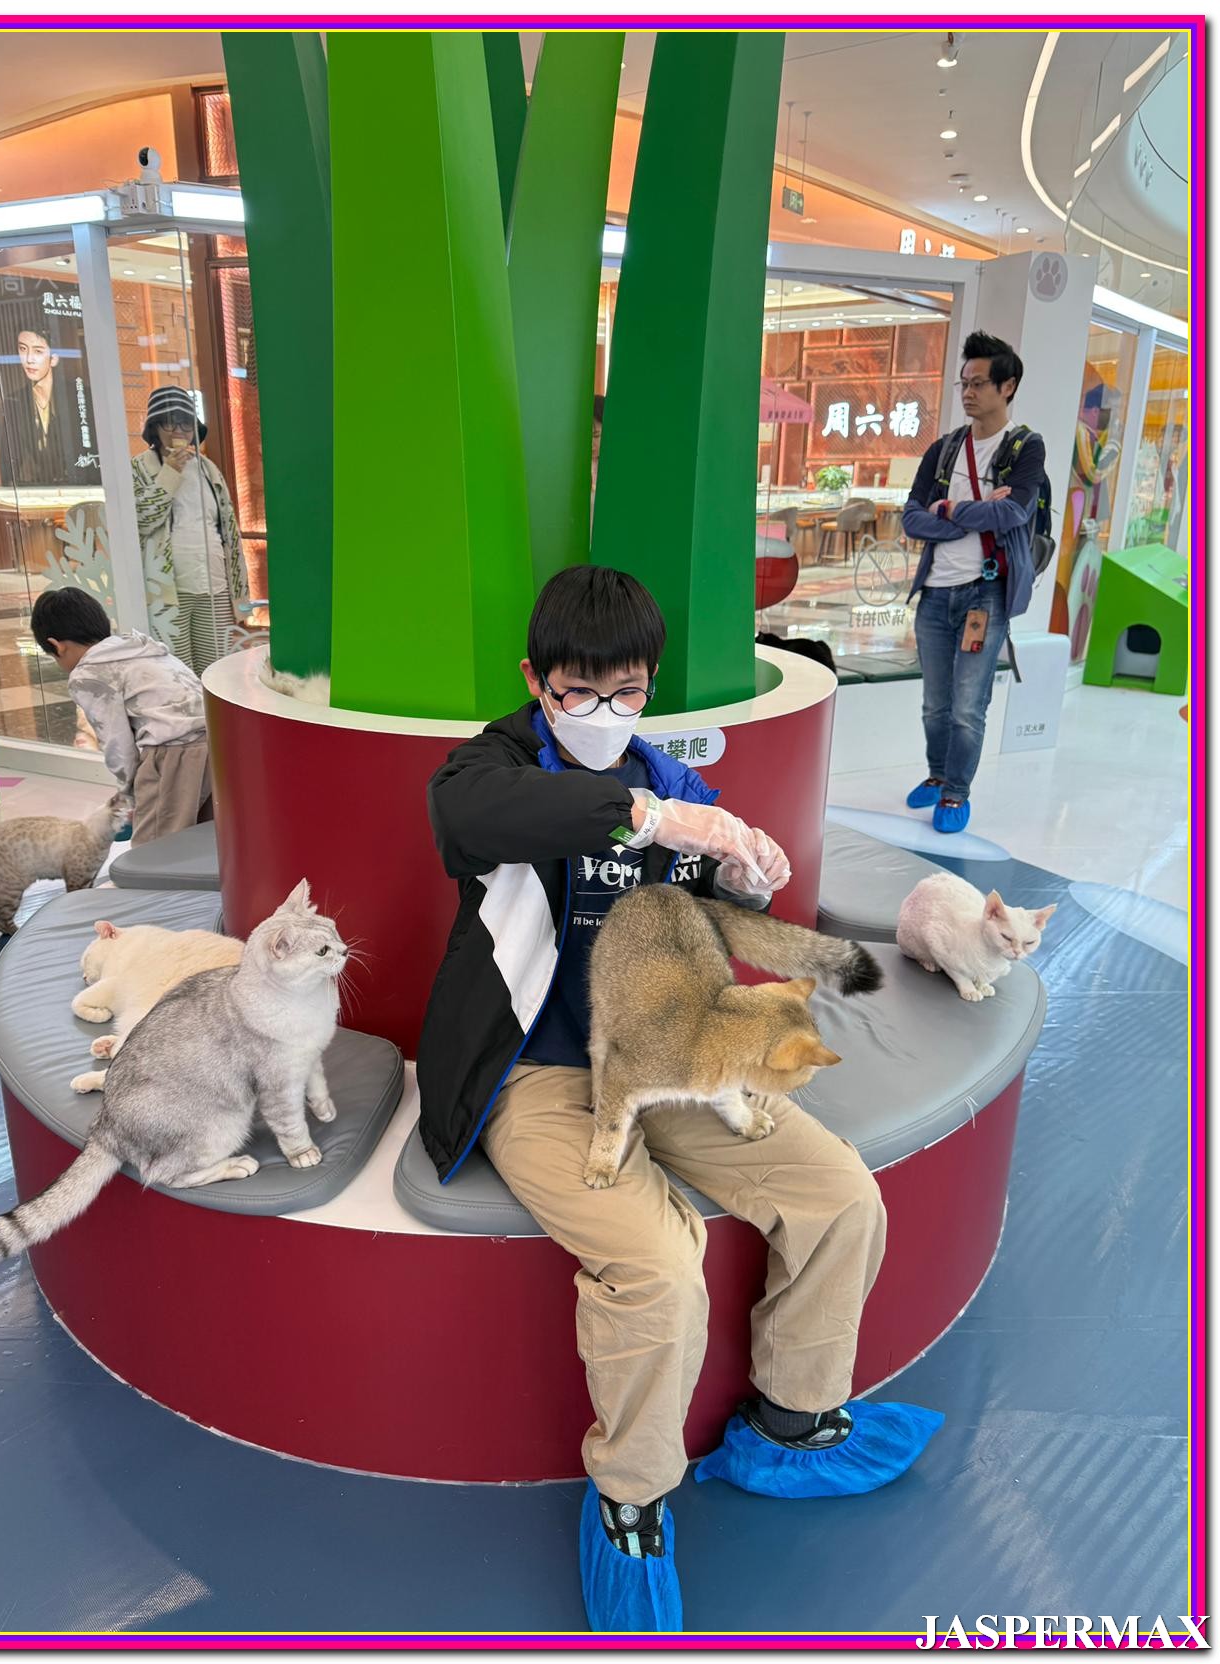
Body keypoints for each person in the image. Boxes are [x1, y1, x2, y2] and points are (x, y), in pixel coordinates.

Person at [419, 565, 939, 1632]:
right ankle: (631, 1496)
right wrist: (652, 817)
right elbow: (469, 817)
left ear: (650, 685)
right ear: (535, 680)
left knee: (840, 1195)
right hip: (541, 1075)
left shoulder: (675, 781)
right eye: (578, 690)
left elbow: (690, 925)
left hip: (666, 1059)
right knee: (657, 1265)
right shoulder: (494, 767)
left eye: (626, 691)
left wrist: (737, 876)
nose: (603, 712)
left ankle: (789, 1424)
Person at [901, 330, 1047, 834]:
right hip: (935, 592)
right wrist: (969, 513)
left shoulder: (1024, 447)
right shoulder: (944, 450)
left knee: (967, 705)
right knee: (934, 703)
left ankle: (955, 793)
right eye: (964, 382)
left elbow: (1014, 512)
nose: (968, 392)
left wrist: (948, 509)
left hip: (985, 593)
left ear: (1008, 386)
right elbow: (911, 518)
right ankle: (938, 774)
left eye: (979, 383)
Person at [30, 587, 213, 846]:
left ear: (56, 646)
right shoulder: (142, 649)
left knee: (155, 846)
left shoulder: (88, 673)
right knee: (204, 835)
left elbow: (117, 743)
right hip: (218, 741)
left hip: (174, 753)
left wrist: (129, 792)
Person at [131, 385, 248, 676]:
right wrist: (170, 472)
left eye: (185, 423)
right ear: (155, 427)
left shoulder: (208, 469)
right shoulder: (140, 468)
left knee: (216, 670)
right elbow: (142, 520)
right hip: (167, 589)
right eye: (170, 423)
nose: (179, 431)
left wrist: (238, 589)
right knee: (177, 671)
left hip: (214, 583)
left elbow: (229, 530)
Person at [0, 322, 84, 485]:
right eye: (23, 349)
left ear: (54, 358)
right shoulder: (15, 402)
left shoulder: (78, 396)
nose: (29, 359)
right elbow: (8, 466)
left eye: (38, 351)